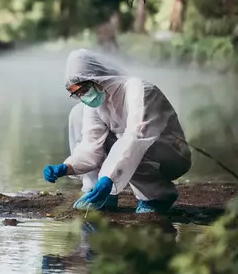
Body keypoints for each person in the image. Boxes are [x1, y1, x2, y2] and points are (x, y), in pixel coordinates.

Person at [42, 49, 192, 213]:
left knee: (131, 145)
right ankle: (99, 192)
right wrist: (67, 167)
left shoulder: (140, 91)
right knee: (78, 114)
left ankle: (156, 195)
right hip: (131, 153)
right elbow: (91, 146)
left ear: (96, 78)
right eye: (76, 94)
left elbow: (135, 139)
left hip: (169, 156)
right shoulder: (98, 103)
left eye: (83, 90)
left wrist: (109, 177)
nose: (83, 97)